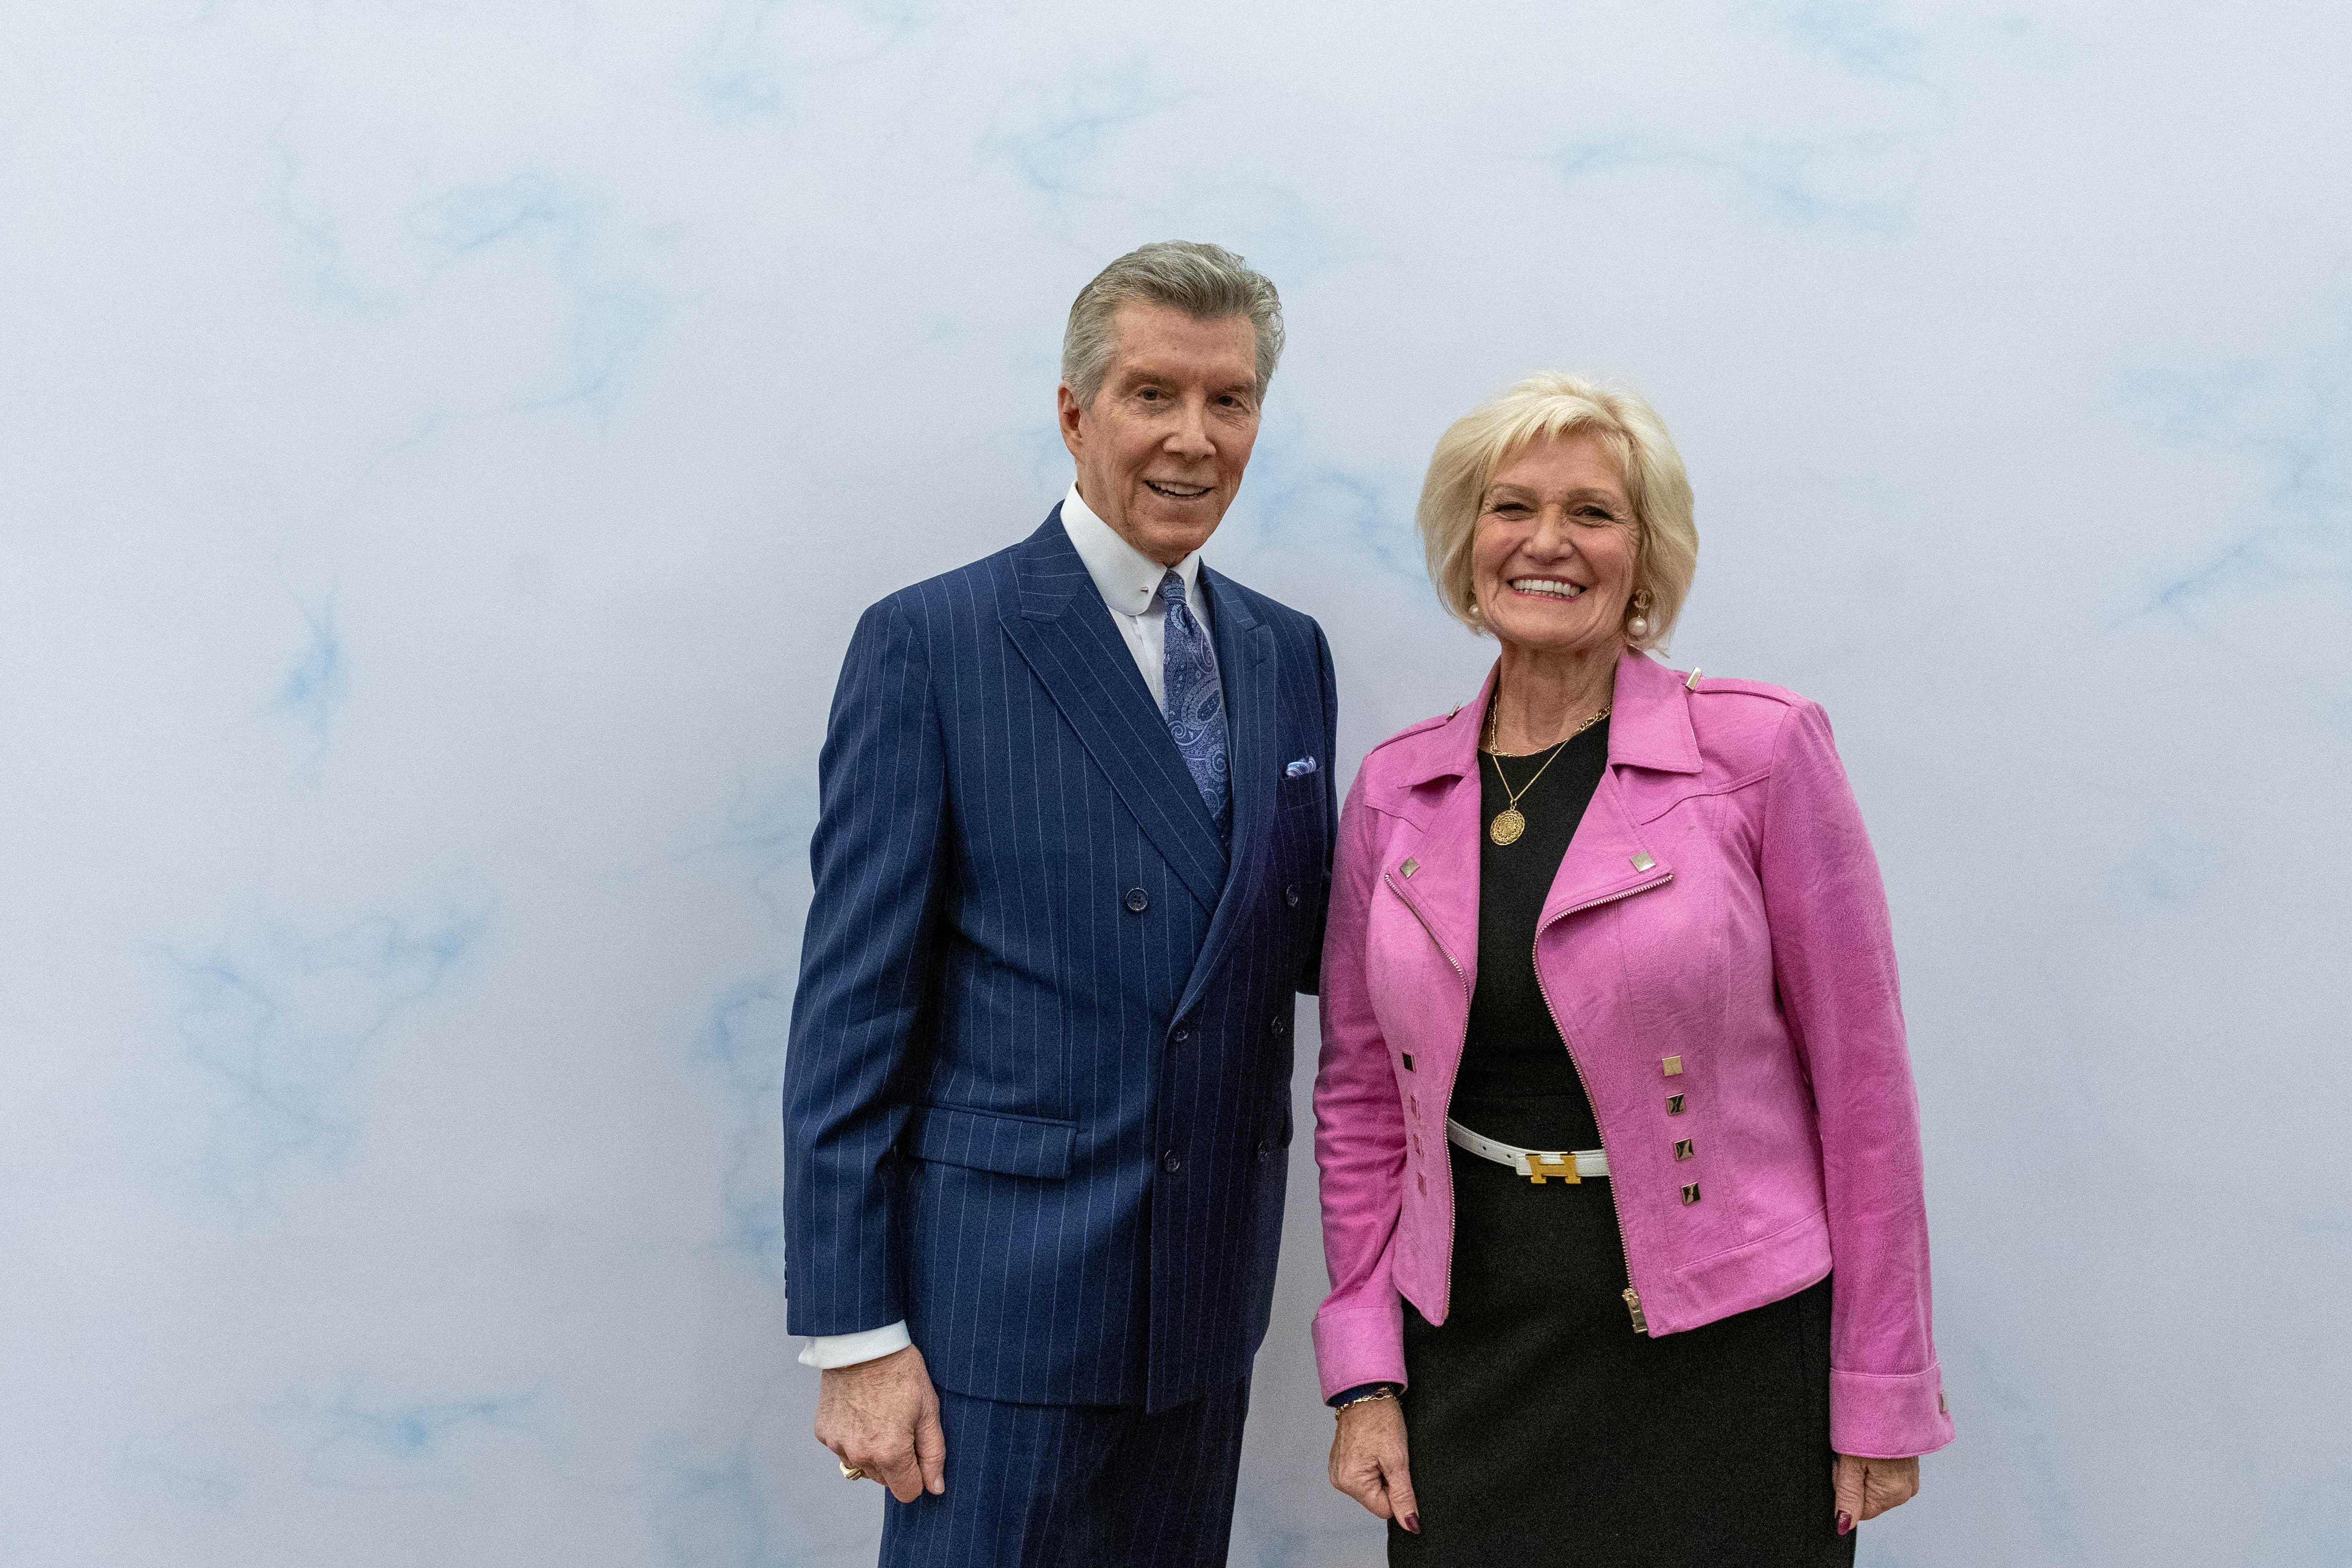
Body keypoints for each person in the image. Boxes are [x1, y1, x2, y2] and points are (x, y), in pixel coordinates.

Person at [1310, 374, 1954, 1565]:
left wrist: (1881, 1386)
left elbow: (1864, 1093)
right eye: (1511, 506)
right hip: (1468, 1345)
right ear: (1466, 543)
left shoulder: (1760, 749)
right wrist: (1363, 1372)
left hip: (1732, 1347)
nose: (1547, 541)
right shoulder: (1395, 787)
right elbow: (1358, 1102)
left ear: (1646, 555)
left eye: (1593, 513)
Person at [781, 241, 1339, 1567]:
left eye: (1228, 400)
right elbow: (851, 1016)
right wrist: (856, 1336)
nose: (1193, 438)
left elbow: (1294, 945)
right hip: (995, 1318)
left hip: (1203, 1304)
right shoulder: (932, 641)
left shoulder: (1286, 650)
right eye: (1153, 395)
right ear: (1075, 413)